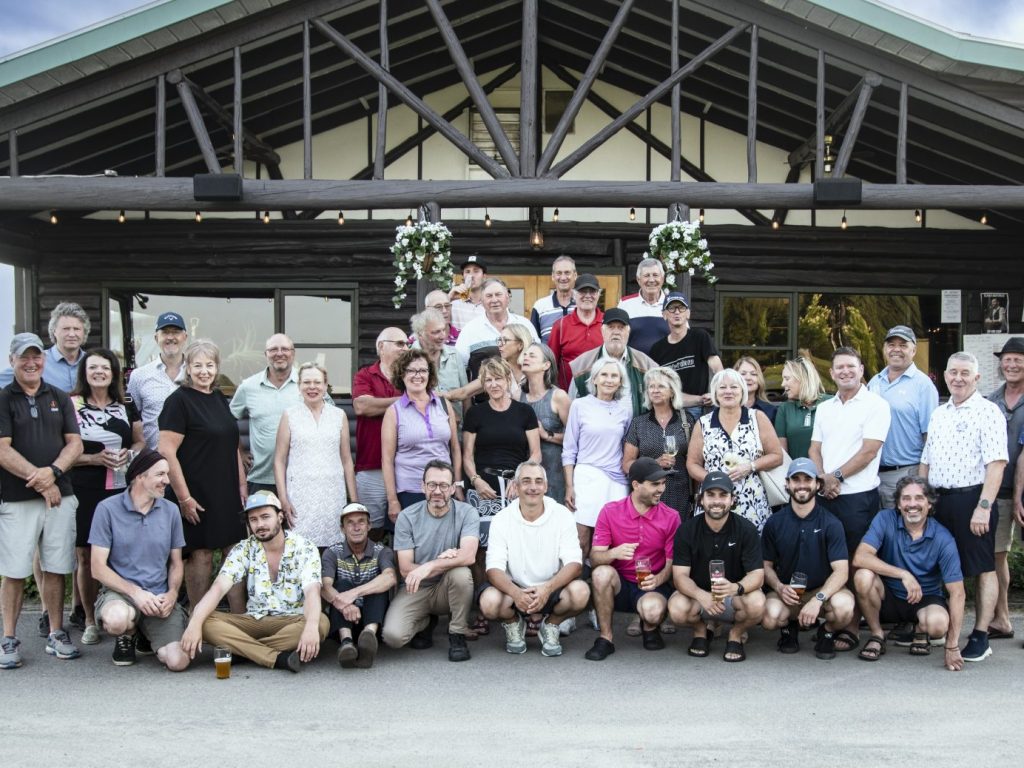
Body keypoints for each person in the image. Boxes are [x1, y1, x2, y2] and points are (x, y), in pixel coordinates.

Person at [0, 333, 83, 668]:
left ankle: (56, 633)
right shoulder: (4, 399)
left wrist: (52, 473)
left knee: (57, 566)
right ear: (12, 361)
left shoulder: (60, 398)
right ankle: (8, 638)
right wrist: (42, 481)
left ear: (44, 360)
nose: (31, 363)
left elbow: (75, 444)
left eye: (36, 357)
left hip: (60, 496)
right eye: (24, 357)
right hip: (18, 498)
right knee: (15, 570)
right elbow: (2, 450)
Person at [919, 351, 1007, 663]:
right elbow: (926, 460)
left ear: (977, 378)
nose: (958, 378)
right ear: (944, 375)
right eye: (953, 372)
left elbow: (996, 464)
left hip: (973, 500)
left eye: (964, 374)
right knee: (938, 565)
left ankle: (981, 635)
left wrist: (984, 506)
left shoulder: (988, 412)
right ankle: (943, 625)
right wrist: (922, 498)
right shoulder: (939, 413)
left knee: (982, 568)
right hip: (939, 501)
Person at [180, 491, 328, 672]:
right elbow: (218, 589)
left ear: (280, 517)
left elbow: (312, 592)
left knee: (320, 623)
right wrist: (194, 623)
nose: (260, 525)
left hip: (292, 619)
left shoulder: (304, 547)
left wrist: (311, 627)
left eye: (266, 517)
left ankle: (242, 650)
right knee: (202, 619)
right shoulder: (244, 548)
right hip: (253, 620)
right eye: (254, 519)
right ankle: (274, 657)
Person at [158, 339, 246, 611]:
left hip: (227, 490)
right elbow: (166, 451)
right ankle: (199, 618)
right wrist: (184, 498)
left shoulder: (219, 398)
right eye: (197, 365)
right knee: (202, 555)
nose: (204, 371)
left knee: (234, 554)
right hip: (195, 491)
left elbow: (232, 445)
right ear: (188, 367)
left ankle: (239, 617)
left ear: (217, 367)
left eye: (209, 365)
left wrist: (242, 484)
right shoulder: (178, 401)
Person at [89, 449, 189, 670]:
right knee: (116, 619)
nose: (167, 480)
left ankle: (147, 633)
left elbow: (176, 563)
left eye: (167, 474)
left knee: (178, 662)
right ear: (140, 476)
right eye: (160, 474)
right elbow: (97, 568)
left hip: (158, 595)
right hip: (121, 593)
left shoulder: (171, 511)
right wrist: (135, 592)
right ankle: (128, 633)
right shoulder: (107, 509)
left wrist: (172, 593)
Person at [69, 349, 144, 646]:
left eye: (105, 367)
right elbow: (62, 450)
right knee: (86, 556)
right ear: (84, 372)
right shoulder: (71, 403)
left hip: (122, 488)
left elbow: (140, 439)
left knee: (125, 554)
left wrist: (131, 452)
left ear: (113, 373)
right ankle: (89, 619)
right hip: (85, 488)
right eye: (93, 367)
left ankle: (130, 616)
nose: (99, 372)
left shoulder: (126, 403)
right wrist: (93, 459)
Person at [852, 476, 966, 671]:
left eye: (919, 498)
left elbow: (958, 593)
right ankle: (877, 634)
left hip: (926, 598)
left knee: (938, 625)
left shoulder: (943, 538)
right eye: (906, 498)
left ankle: (920, 630)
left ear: (929, 504)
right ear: (898, 504)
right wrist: (904, 574)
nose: (912, 504)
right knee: (863, 576)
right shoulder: (884, 519)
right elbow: (860, 557)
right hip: (889, 595)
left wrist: (952, 645)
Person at [481, 461, 589, 657]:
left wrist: (547, 589)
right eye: (526, 481)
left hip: (552, 588)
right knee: (488, 602)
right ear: (516, 486)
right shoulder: (501, 519)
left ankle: (550, 625)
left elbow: (575, 563)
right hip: (514, 591)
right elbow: (493, 568)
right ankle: (514, 623)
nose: (533, 487)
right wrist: (516, 593)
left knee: (580, 592)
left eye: (539, 481)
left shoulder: (562, 515)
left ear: (546, 487)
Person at [584, 458, 682, 661]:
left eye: (663, 483)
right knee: (601, 573)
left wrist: (659, 580)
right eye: (655, 484)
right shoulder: (610, 511)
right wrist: (613, 553)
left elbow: (672, 562)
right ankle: (606, 638)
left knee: (652, 612)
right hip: (620, 583)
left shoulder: (671, 516)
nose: (661, 489)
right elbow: (594, 559)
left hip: (652, 583)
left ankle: (649, 627)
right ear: (636, 485)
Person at [382, 461, 479, 663]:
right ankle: (425, 622)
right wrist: (448, 560)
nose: (437, 491)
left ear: (453, 488)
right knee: (393, 637)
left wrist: (430, 565)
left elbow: (468, 555)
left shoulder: (467, 513)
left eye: (444, 485)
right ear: (423, 487)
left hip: (448, 587)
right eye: (432, 485)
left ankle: (457, 634)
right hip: (415, 588)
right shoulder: (407, 517)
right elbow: (406, 569)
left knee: (461, 574)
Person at [760, 458, 857, 659]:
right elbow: (765, 565)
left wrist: (818, 599)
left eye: (807, 479)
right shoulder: (775, 522)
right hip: (787, 590)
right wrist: (779, 587)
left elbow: (841, 571)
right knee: (770, 617)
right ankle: (789, 629)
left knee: (844, 608)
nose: (802, 485)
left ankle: (827, 632)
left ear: (818, 484)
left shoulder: (831, 523)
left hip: (822, 590)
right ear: (787, 484)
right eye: (796, 479)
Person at [668, 471, 765, 662]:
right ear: (701, 499)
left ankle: (735, 635)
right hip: (699, 596)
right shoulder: (687, 530)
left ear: (732, 499)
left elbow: (757, 575)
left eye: (723, 495)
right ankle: (700, 631)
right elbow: (679, 576)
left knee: (757, 603)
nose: (716, 501)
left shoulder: (746, 529)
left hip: (733, 596)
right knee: (676, 608)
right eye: (710, 495)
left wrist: (736, 588)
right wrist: (701, 595)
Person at [809, 347, 891, 555]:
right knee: (824, 555)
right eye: (840, 367)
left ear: (861, 370)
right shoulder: (824, 407)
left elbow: (868, 452)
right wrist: (822, 479)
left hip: (857, 498)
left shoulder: (877, 405)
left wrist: (834, 477)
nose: (845, 371)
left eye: (851, 366)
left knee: (857, 558)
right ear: (832, 373)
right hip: (824, 495)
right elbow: (815, 449)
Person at [686, 368, 783, 532]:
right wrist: (712, 479)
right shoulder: (703, 423)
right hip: (713, 500)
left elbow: (777, 456)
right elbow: (692, 464)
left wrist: (751, 466)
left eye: (734, 387)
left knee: (751, 550)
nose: (728, 392)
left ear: (742, 391)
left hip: (752, 500)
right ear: (715, 393)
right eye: (722, 387)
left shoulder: (757, 417)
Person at [274, 363, 356, 547]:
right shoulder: (290, 415)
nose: (312, 387)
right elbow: (279, 460)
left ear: (326, 386)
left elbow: (346, 461)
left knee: (333, 546)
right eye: (307, 382)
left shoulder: (338, 415)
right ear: (299, 386)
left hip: (332, 494)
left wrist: (354, 501)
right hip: (301, 495)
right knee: (299, 545)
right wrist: (283, 498)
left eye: (317, 382)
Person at [563, 358, 633, 559]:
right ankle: (577, 587)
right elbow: (568, 449)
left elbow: (626, 447)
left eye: (614, 376)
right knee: (581, 539)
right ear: (594, 379)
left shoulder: (625, 410)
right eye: (604, 375)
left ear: (621, 381)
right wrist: (570, 486)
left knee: (613, 539)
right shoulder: (579, 405)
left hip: (617, 481)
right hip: (587, 478)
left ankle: (606, 586)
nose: (609, 380)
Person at [382, 350, 461, 525]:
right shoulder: (394, 411)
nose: (418, 375)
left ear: (430, 374)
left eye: (423, 370)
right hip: (410, 491)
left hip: (444, 489)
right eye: (411, 370)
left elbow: (455, 448)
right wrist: (393, 500)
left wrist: (458, 484)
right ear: (402, 374)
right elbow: (387, 460)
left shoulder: (443, 404)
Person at [867, 326, 939, 509]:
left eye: (903, 345)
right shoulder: (875, 382)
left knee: (904, 532)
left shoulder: (923, 385)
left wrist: (923, 480)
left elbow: (929, 436)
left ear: (913, 350)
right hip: (872, 474)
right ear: (884, 349)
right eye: (891, 344)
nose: (896, 349)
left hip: (906, 474)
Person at [321, 502, 397, 669]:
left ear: (369, 526)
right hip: (343, 619)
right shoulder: (332, 552)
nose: (356, 527)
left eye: (361, 521)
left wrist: (354, 594)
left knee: (378, 584)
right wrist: (344, 604)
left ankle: (368, 639)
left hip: (374, 620)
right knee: (341, 584)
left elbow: (390, 577)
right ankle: (346, 642)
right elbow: (325, 587)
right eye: (350, 523)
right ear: (343, 528)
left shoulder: (382, 551)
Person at [229, 333, 300, 495]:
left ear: (293, 353)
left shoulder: (307, 383)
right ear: (266, 354)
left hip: (299, 477)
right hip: (261, 478)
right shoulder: (249, 386)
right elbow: (227, 422)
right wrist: (240, 450)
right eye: (273, 349)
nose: (279, 353)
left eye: (285, 349)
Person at [986, 337, 1024, 641]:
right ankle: (1001, 619)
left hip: (1023, 492)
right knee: (997, 557)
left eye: (1018, 359)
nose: (1011, 364)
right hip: (999, 489)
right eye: (1007, 359)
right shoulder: (991, 400)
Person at [352, 327, 405, 534]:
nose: (405, 348)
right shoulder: (365, 375)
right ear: (381, 347)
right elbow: (363, 406)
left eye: (406, 344)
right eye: (399, 343)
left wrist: (381, 404)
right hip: (371, 465)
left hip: (405, 467)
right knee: (369, 528)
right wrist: (405, 401)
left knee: (403, 527)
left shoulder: (410, 377)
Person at [623, 367, 694, 517]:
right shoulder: (639, 423)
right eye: (651, 386)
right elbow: (627, 465)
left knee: (677, 537)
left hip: (680, 494)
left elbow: (696, 460)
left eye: (661, 386)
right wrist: (654, 464)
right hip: (647, 494)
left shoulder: (686, 420)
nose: (655, 390)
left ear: (672, 391)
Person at [568, 307, 656, 415]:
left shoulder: (646, 365)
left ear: (628, 332)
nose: (616, 332)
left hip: (636, 430)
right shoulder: (582, 364)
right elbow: (572, 410)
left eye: (621, 328)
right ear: (602, 331)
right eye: (611, 327)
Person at [649, 292, 723, 419]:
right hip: (668, 410)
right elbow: (656, 385)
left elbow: (717, 368)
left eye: (681, 308)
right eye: (672, 308)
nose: (677, 312)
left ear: (688, 313)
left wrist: (717, 392)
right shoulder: (657, 349)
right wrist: (698, 399)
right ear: (664, 315)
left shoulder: (700, 337)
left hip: (698, 410)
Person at [127, 312, 188, 449]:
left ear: (185, 337)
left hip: (191, 459)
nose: (171, 337)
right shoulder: (139, 376)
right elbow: (132, 419)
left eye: (176, 332)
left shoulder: (196, 373)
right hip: (153, 461)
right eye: (165, 332)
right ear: (156, 337)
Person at [454, 277, 539, 375]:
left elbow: (537, 358)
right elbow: (458, 367)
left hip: (524, 389)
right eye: (489, 296)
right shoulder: (470, 329)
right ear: (481, 300)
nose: (494, 300)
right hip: (485, 388)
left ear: (507, 297)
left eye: (498, 295)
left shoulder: (525, 324)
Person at [520, 343, 570, 505]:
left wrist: (547, 435)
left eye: (532, 355)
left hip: (555, 472)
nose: (526, 357)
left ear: (546, 365)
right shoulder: (517, 396)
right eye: (525, 354)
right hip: (526, 473)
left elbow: (575, 440)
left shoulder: (558, 396)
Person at [0, 302, 90, 392]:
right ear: (54, 331)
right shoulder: (37, 361)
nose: (71, 334)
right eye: (66, 329)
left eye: (77, 329)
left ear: (84, 332)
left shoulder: (92, 362)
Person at [548, 273, 604, 391]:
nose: (587, 296)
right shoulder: (561, 326)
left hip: (603, 396)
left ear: (599, 294)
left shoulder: (607, 323)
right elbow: (551, 364)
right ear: (574, 294)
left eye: (592, 291)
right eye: (582, 291)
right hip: (568, 396)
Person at [411, 308, 468, 423]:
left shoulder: (454, 355)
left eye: (443, 330)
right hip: (424, 431)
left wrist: (467, 427)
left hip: (457, 432)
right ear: (420, 334)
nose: (443, 336)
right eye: (436, 332)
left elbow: (466, 397)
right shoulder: (408, 359)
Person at [773, 356, 828, 459]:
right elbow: (782, 454)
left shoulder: (830, 403)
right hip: (797, 473)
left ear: (802, 378)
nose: (782, 384)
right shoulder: (785, 409)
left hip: (829, 473)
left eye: (787, 378)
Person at [618, 258, 669, 355]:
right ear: (638, 280)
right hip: (634, 366)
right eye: (646, 276)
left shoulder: (671, 304)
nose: (651, 280)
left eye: (655, 275)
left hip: (665, 367)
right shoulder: (625, 304)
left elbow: (683, 336)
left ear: (662, 278)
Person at [530, 255, 577, 344]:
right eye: (559, 273)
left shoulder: (582, 304)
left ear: (575, 275)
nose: (563, 278)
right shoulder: (540, 306)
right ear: (553, 276)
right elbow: (534, 342)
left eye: (567, 273)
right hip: (548, 358)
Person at [450, 254, 488, 331]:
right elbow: (432, 320)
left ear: (484, 276)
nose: (471, 275)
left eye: (476, 271)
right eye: (467, 271)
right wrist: (449, 297)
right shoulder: (453, 304)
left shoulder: (490, 303)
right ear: (463, 276)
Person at [734, 356, 777, 422]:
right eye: (743, 374)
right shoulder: (723, 409)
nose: (748, 378)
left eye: (753, 374)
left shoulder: (771, 411)